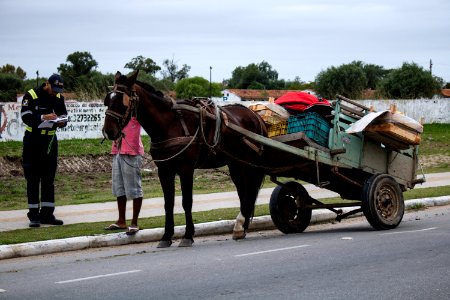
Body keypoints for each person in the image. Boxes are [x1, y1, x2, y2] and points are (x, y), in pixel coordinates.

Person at [21, 74, 67, 227]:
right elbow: (26, 116)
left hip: (50, 141)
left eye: (58, 90)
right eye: (53, 89)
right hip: (33, 141)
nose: (55, 92)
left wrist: (61, 122)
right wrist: (43, 117)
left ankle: (47, 215)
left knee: (49, 178)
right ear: (47, 83)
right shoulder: (31, 95)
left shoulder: (59, 97)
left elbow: (64, 116)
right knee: (33, 178)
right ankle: (34, 216)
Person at [105, 117, 144, 235]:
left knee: (134, 189)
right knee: (119, 188)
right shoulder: (118, 114)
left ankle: (134, 222)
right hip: (118, 150)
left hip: (131, 152)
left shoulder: (135, 113)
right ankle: (121, 220)